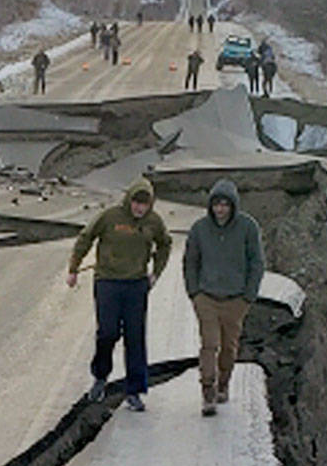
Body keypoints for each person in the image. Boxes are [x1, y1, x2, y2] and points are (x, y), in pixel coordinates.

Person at [65, 176, 171, 411]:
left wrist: (156, 273)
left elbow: (165, 244)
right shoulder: (110, 217)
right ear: (129, 199)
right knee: (108, 333)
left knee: (135, 338)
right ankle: (100, 377)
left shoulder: (154, 222)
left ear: (150, 204)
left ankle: (134, 391)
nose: (139, 207)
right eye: (136, 202)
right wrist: (73, 268)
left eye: (144, 203)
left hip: (136, 286)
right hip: (108, 283)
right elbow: (86, 237)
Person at [181, 179, 263, 416]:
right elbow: (190, 262)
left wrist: (248, 296)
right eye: (216, 204)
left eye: (225, 205)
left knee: (229, 347)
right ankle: (208, 391)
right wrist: (194, 292)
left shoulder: (248, 228)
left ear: (233, 206)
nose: (220, 209)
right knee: (210, 344)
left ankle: (223, 383)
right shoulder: (199, 229)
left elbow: (256, 263)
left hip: (236, 299)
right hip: (206, 297)